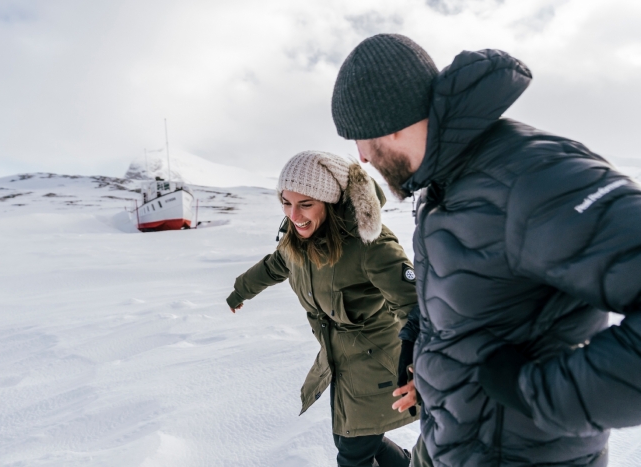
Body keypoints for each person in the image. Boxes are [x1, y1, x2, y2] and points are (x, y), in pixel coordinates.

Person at [331, 33, 641, 467]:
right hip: (456, 446)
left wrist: (539, 394)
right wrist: (418, 338)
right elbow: (476, 284)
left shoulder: (533, 177)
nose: (362, 158)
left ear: (392, 121)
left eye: (359, 138)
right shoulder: (442, 185)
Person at [226, 150, 421, 467]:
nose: (293, 214)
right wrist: (240, 291)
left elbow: (415, 307)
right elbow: (278, 264)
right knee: (355, 440)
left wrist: (418, 368)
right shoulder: (299, 238)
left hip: (382, 365)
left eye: (305, 203)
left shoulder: (369, 244)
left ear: (330, 201)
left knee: (352, 455)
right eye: (286, 203)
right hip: (341, 363)